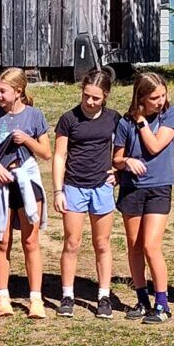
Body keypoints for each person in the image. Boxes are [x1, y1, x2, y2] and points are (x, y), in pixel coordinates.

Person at [0, 66, 50, 319]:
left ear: (18, 92)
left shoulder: (34, 115)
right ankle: (2, 296)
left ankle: (36, 299)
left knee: (31, 241)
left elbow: (46, 153)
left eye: (3, 91)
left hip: (27, 182)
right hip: (3, 182)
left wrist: (27, 140)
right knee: (2, 241)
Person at [113, 71, 174, 323]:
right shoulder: (124, 123)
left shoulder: (171, 114)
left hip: (159, 187)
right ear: (140, 97)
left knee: (151, 245)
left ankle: (162, 303)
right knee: (134, 245)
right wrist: (126, 162)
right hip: (132, 188)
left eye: (162, 95)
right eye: (154, 97)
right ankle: (142, 299)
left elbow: (154, 146)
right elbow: (117, 159)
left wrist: (142, 121)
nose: (160, 101)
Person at [53, 67, 119, 317]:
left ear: (106, 97)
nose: (90, 102)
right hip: (73, 187)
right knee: (72, 242)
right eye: (86, 96)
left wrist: (118, 172)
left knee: (102, 243)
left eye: (96, 98)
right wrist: (58, 190)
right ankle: (67, 295)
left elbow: (123, 150)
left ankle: (103, 296)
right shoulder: (69, 119)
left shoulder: (114, 118)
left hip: (102, 188)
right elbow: (60, 156)